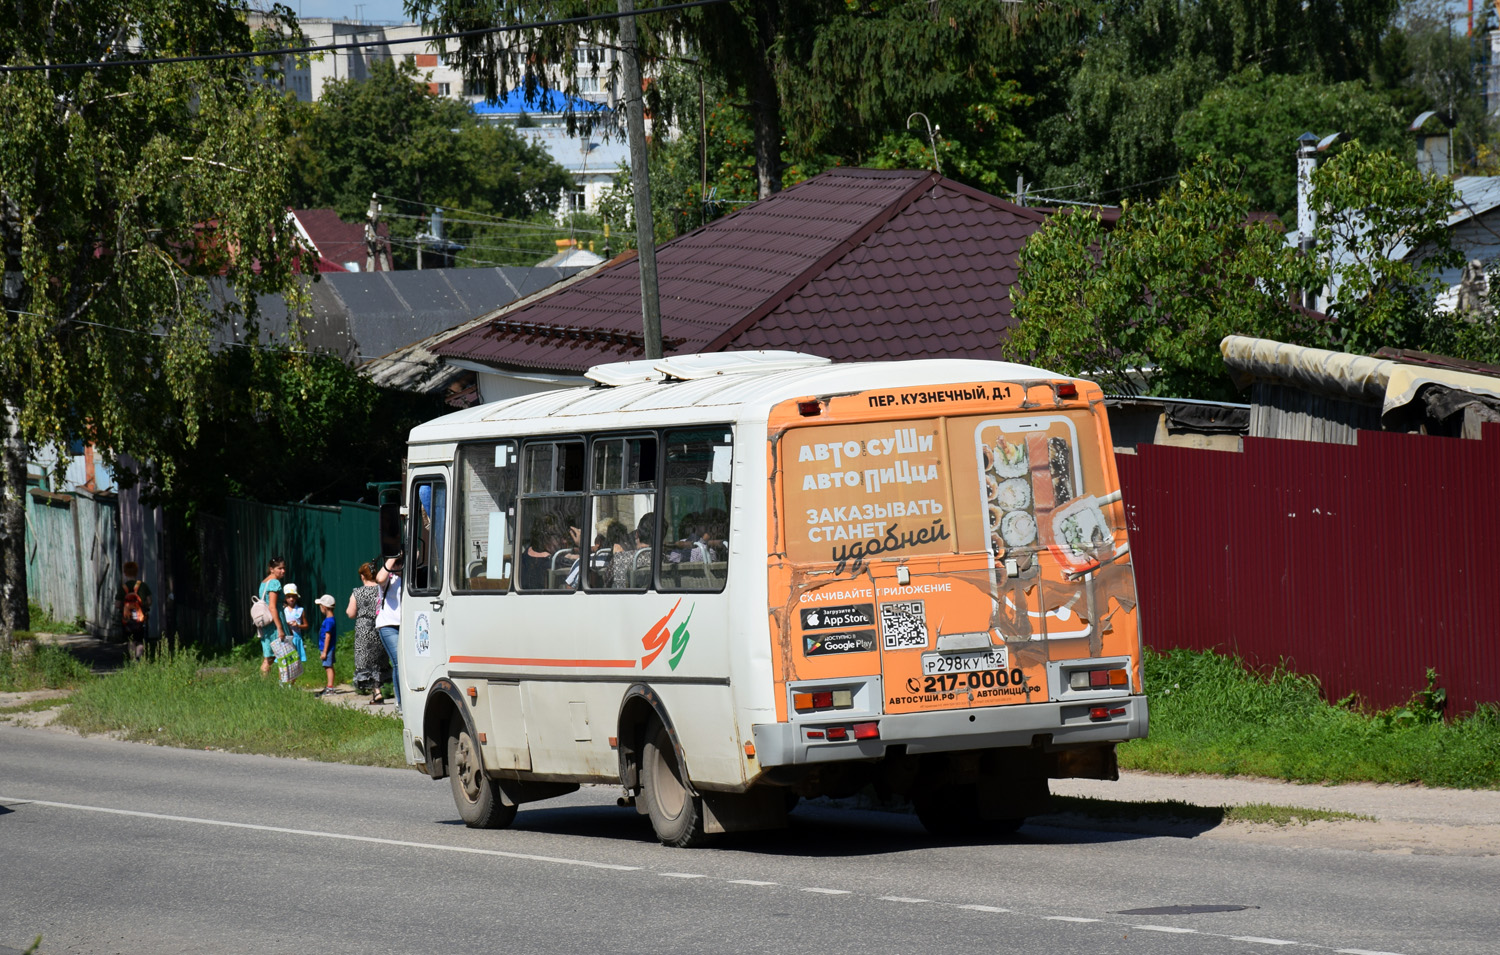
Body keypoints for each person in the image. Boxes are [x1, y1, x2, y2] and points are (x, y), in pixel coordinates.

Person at [374, 553, 404, 711]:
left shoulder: (408, 579)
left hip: (406, 624)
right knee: (399, 662)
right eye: (396, 564)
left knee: (404, 663)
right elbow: (379, 578)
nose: (399, 566)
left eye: (401, 563)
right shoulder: (388, 579)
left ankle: (404, 700)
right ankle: (401, 703)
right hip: (388, 625)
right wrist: (394, 556)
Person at [347, 562, 382, 700]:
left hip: (364, 629)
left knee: (366, 662)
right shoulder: (381, 589)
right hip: (380, 627)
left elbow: (350, 613)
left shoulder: (358, 592)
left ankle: (377, 692)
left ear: (362, 576)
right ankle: (378, 690)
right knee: (378, 661)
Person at [115, 560, 153, 661]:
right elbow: (149, 601)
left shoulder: (123, 588)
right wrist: (143, 606)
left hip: (127, 620)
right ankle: (139, 658)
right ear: (136, 572)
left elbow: (117, 604)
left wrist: (125, 607)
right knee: (140, 641)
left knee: (130, 640)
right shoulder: (143, 586)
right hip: (140, 619)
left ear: (125, 573)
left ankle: (132, 661)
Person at [258, 557, 287, 675]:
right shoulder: (275, 583)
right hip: (275, 623)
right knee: (283, 656)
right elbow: (272, 607)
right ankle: (284, 687)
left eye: (284, 568)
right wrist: (280, 628)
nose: (283, 571)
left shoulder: (264, 582)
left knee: (269, 657)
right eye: (279, 568)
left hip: (267, 625)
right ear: (271, 569)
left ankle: (264, 686)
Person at [314, 594, 338, 695]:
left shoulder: (329, 621)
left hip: (327, 648)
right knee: (328, 666)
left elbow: (327, 636)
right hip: (328, 648)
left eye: (320, 606)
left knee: (328, 667)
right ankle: (329, 686)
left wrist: (324, 651)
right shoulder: (331, 620)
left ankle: (330, 687)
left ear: (324, 607)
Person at [282, 583, 308, 665]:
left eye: (293, 596)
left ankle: (294, 678)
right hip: (285, 638)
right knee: (284, 662)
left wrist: (298, 625)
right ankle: (283, 678)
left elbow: (306, 625)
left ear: (296, 597)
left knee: (295, 663)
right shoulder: (283, 610)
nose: (291, 599)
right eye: (289, 597)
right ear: (285, 598)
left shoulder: (300, 610)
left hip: (296, 638)